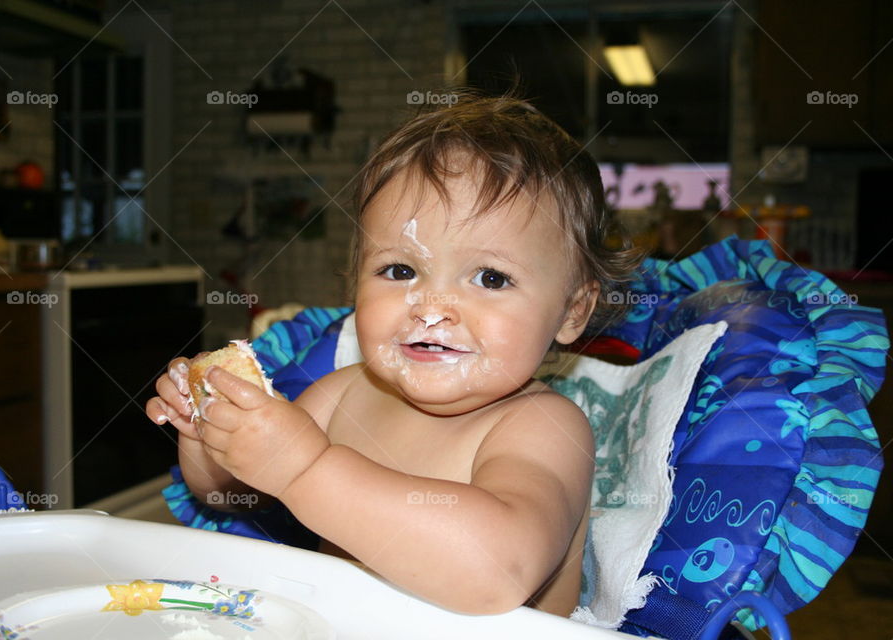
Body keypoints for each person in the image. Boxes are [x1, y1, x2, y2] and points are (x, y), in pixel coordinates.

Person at [146, 91, 642, 616]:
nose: (430, 308)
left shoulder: (541, 426)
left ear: (572, 310)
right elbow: (229, 493)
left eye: (491, 278)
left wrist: (304, 471)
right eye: (400, 270)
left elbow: (497, 572)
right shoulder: (340, 396)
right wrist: (208, 436)